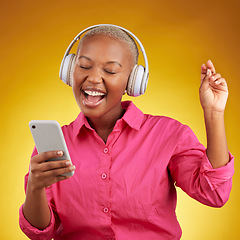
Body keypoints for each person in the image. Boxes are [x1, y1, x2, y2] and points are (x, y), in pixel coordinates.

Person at [19, 25, 234, 240]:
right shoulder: (55, 145)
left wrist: (213, 112)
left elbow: (213, 194)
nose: (93, 78)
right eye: (84, 66)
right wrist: (35, 188)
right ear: (69, 70)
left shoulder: (168, 134)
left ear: (132, 82)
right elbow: (40, 233)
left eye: (110, 71)